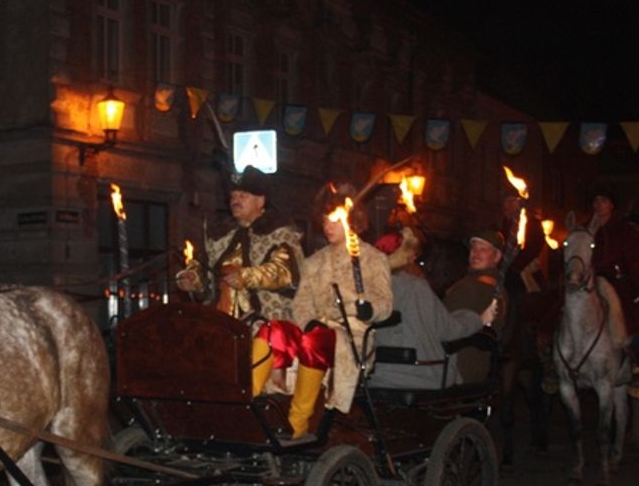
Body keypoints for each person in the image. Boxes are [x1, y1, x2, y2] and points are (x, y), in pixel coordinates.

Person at [254, 182, 393, 438]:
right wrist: (309, 322)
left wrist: (369, 309)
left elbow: (385, 303)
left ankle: (297, 424)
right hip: (315, 329)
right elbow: (301, 302)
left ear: (351, 220)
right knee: (271, 330)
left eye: (334, 220)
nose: (327, 226)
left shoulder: (374, 258)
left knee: (314, 341)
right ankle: (248, 406)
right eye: (325, 220)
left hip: (351, 336)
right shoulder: (314, 262)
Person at [369, 225, 497, 389]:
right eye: (414, 256)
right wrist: (479, 319)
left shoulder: (370, 288)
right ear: (407, 257)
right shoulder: (416, 287)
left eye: (483, 250)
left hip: (377, 375)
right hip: (419, 373)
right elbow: (448, 329)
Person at [174, 166, 304, 327]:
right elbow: (207, 271)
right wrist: (193, 278)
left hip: (266, 322)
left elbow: (284, 272)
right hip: (223, 324)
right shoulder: (220, 236)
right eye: (233, 196)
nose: (236, 201)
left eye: (243, 196)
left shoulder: (280, 233)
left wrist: (246, 276)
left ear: (260, 200)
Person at [587, 182, 639, 393]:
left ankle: (635, 364)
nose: (599, 204)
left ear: (612, 206)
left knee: (632, 315)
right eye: (596, 200)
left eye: (603, 200)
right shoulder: (587, 228)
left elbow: (636, 261)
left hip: (617, 282)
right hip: (588, 282)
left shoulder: (624, 232)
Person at [443, 230, 508, 384]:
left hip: (457, 366)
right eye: (474, 249)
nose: (476, 253)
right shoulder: (496, 286)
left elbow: (444, 324)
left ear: (497, 257)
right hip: (478, 366)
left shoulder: (473, 286)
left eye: (483, 249)